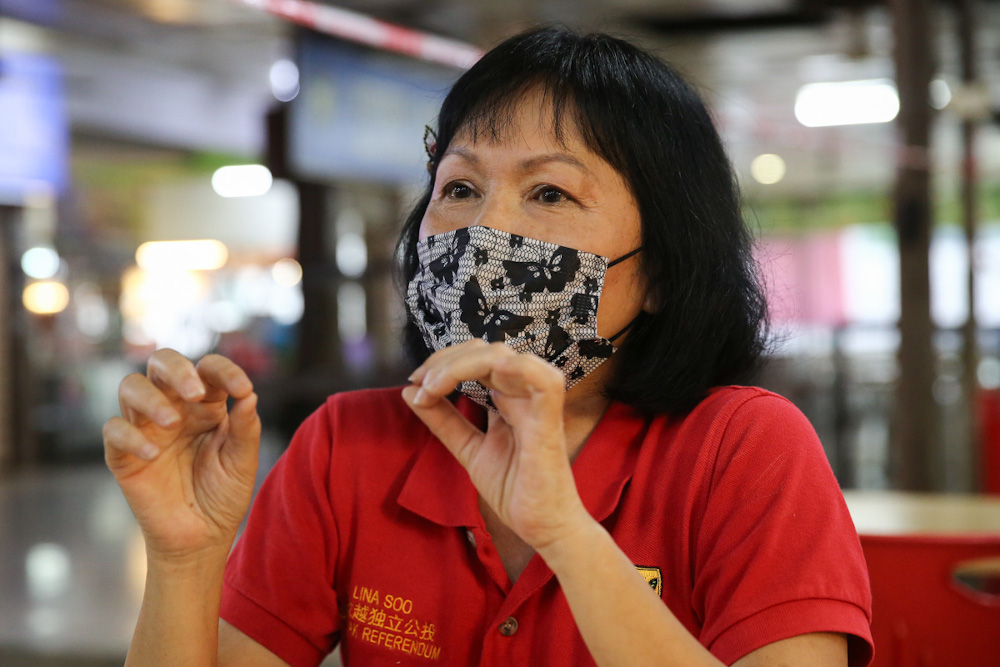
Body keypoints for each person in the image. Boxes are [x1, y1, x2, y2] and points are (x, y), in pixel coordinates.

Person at [103, 27, 873, 667]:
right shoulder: (348, 444)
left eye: (549, 193)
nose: (483, 232)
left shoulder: (743, 449)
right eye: (461, 188)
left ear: (665, 267)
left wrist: (566, 534)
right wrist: (184, 555)